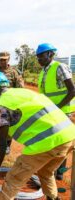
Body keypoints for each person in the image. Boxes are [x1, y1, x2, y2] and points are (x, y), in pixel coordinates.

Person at [0, 71, 75, 200]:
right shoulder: (23, 92)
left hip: (48, 142)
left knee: (14, 177)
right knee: (46, 171)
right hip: (70, 135)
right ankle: (53, 197)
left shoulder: (1, 106)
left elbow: (2, 144)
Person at [36, 43, 75, 180]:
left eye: (41, 56)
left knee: (61, 142)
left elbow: (72, 91)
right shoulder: (43, 71)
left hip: (63, 112)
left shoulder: (59, 67)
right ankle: (50, 170)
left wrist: (57, 108)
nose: (38, 59)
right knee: (51, 141)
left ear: (50, 54)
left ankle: (59, 173)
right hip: (50, 112)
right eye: (37, 57)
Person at [0, 51, 24, 154]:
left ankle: (7, 145)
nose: (2, 61)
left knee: (6, 123)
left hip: (8, 102)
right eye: (1, 59)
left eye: (4, 59)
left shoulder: (14, 72)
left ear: (8, 59)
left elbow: (20, 88)